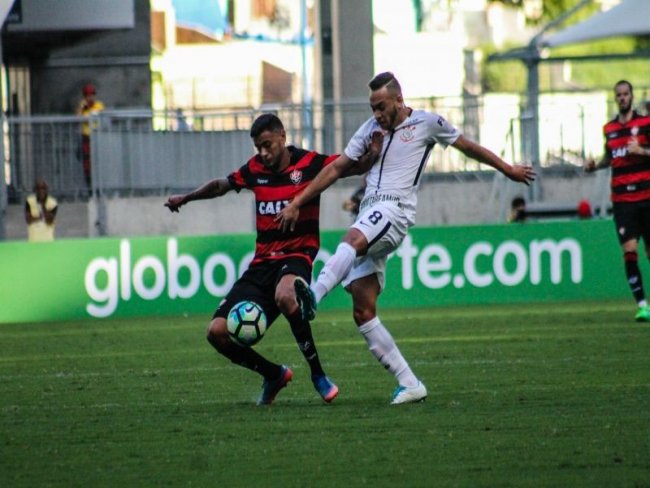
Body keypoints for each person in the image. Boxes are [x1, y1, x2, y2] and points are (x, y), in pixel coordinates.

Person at [277, 71, 535, 404]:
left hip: (394, 211)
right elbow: (337, 168)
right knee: (362, 309)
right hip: (370, 213)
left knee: (349, 240)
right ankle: (410, 382)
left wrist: (507, 169)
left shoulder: (427, 123)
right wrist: (298, 201)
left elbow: (467, 147)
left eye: (382, 107)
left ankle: (313, 295)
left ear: (399, 100)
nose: (377, 115)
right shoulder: (371, 130)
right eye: (373, 108)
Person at [164, 113, 377, 405]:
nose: (263, 153)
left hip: (297, 255)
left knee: (287, 296)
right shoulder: (254, 169)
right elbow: (220, 186)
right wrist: (186, 198)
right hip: (261, 263)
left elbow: (350, 166)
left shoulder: (310, 163)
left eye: (267, 145)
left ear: (282, 137)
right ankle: (273, 374)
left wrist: (375, 149)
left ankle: (318, 375)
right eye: (258, 148)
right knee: (216, 333)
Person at [585, 80, 650, 322]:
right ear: (615, 99)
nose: (623, 98)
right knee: (629, 251)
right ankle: (643, 305)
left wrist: (642, 151)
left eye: (626, 94)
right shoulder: (609, 129)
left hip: (647, 196)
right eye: (619, 95)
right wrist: (595, 167)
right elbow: (609, 158)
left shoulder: (645, 124)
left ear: (632, 96)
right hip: (623, 201)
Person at [76, 83, 105, 187]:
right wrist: (82, 108)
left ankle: (98, 187)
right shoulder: (83, 107)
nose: (90, 98)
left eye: (91, 95)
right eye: (87, 95)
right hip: (86, 138)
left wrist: (86, 114)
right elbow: (78, 118)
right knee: (87, 166)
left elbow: (94, 117)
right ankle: (90, 187)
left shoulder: (99, 105)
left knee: (98, 164)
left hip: (97, 138)